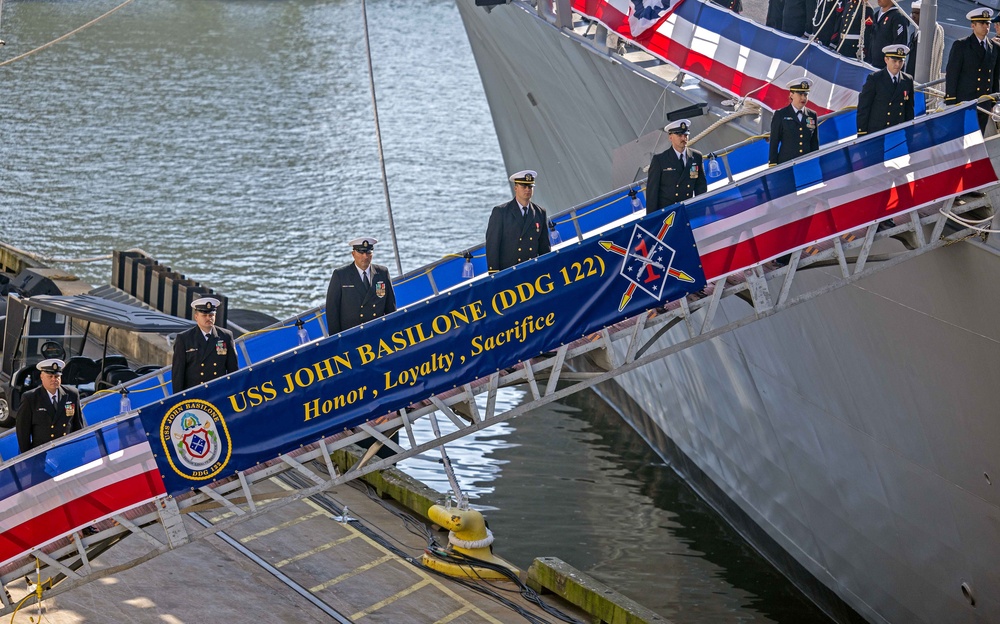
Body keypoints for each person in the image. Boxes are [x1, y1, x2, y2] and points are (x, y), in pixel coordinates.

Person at [325, 237, 396, 334]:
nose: (365, 257)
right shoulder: (341, 275)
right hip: (352, 335)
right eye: (361, 253)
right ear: (353, 254)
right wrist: (337, 340)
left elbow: (390, 306)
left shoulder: (382, 273)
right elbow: (332, 310)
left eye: (368, 253)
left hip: (378, 332)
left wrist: (392, 330)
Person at [485, 170, 551, 273]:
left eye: (530, 187)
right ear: (516, 188)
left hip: (532, 270)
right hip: (509, 272)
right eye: (524, 186)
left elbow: (544, 246)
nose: (527, 190)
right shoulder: (501, 212)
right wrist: (494, 273)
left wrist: (546, 268)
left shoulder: (540, 212)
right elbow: (492, 244)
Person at [946, 9, 1000, 133]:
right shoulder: (961, 45)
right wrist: (951, 100)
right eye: (982, 23)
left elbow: (995, 76)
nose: (986, 27)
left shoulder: (995, 48)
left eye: (988, 23)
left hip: (984, 102)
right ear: (973, 25)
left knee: (978, 137)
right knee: (962, 137)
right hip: (965, 101)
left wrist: (994, 100)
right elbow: (953, 73)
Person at [171, 297, 238, 393]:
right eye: (204, 315)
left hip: (218, 392)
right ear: (196, 317)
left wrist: (233, 392)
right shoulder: (184, 339)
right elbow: (178, 373)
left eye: (211, 315)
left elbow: (233, 369)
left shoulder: (226, 336)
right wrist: (178, 399)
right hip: (194, 393)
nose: (208, 318)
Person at [16, 359, 83, 453]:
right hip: (42, 453)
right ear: (42, 377)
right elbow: (23, 432)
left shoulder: (72, 394)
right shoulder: (30, 398)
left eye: (57, 376)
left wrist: (80, 450)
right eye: (50, 376)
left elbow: (78, 425)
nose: (54, 379)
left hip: (67, 450)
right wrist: (26, 457)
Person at [645, 119, 707, 215]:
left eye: (686, 135)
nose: (683, 138)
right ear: (670, 137)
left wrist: (701, 208)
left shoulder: (696, 157)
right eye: (679, 135)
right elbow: (652, 193)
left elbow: (700, 186)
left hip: (688, 208)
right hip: (668, 212)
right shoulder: (660, 160)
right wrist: (652, 218)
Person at [857, 45, 915, 135]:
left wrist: (910, 132)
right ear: (886, 60)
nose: (897, 65)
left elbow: (909, 109)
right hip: (877, 131)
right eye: (894, 61)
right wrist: (862, 132)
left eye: (901, 61)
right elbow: (864, 107)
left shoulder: (907, 80)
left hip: (898, 131)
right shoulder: (875, 79)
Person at [768, 78, 820, 166]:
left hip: (806, 164)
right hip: (786, 164)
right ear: (791, 95)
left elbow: (814, 142)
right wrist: (773, 163)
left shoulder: (812, 115)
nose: (803, 98)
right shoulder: (781, 114)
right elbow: (774, 141)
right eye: (800, 94)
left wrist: (815, 161)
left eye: (805, 94)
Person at [864, 0, 909, 68]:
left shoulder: (898, 17)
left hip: (887, 67)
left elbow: (899, 43)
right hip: (873, 64)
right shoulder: (877, 15)